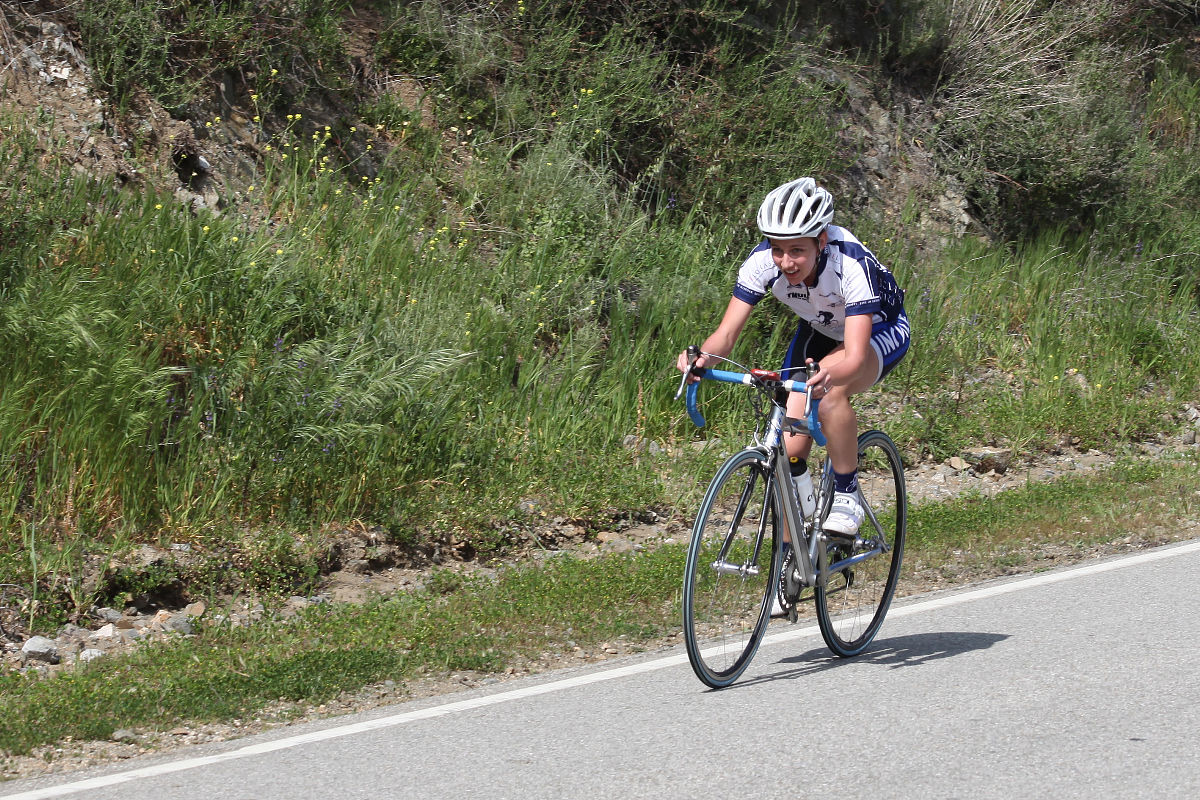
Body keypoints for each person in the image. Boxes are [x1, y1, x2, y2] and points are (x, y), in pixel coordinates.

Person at [675, 177, 910, 615]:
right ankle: (790, 563)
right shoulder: (761, 263)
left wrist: (827, 375)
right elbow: (726, 334)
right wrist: (700, 359)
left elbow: (855, 355)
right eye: (777, 249)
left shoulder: (850, 264)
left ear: (821, 241)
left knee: (832, 392)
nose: (785, 261)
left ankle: (846, 495)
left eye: (797, 250)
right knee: (788, 449)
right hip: (821, 330)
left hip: (878, 331)